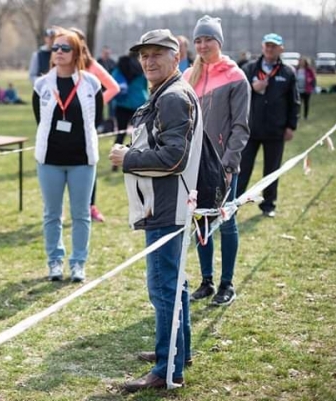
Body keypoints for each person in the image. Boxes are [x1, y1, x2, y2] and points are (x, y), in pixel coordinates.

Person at [109, 28, 202, 391]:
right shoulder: (165, 93)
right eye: (143, 55)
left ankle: (166, 371)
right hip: (165, 205)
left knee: (163, 288)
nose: (148, 61)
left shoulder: (173, 97)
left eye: (156, 54)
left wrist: (127, 157)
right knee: (174, 285)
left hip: (168, 207)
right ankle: (178, 353)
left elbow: (174, 157)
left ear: (175, 56)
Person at [183, 15, 251, 306]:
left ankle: (227, 284)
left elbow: (241, 126)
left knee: (226, 223)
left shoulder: (236, 76)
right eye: (198, 39)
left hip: (223, 164)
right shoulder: (188, 76)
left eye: (208, 39)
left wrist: (228, 164)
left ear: (219, 42)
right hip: (194, 164)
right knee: (201, 221)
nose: (202, 44)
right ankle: (207, 281)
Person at [32, 28, 103, 283]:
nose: (58, 53)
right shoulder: (41, 84)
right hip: (49, 160)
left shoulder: (91, 83)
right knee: (52, 213)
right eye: (55, 48)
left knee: (81, 214)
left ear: (76, 53)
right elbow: (40, 121)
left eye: (65, 48)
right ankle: (55, 261)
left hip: (82, 161)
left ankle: (78, 263)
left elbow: (98, 119)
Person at [237, 33, 300, 218]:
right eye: (267, 45)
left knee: (272, 170)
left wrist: (291, 126)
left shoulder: (287, 72)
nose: (270, 49)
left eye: (274, 46)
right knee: (242, 168)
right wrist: (251, 87)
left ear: (281, 48)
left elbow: (294, 101)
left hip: (275, 130)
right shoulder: (249, 68)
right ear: (262, 47)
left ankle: (268, 205)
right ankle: (234, 204)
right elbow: (238, 94)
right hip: (250, 129)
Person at [69, 27, 120, 223]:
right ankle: (68, 206)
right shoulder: (60, 65)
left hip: (86, 125)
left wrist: (94, 104)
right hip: (64, 126)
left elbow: (113, 87)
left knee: (89, 164)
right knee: (64, 166)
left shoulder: (91, 65)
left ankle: (91, 206)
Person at [111, 52, 148, 148]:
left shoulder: (120, 66)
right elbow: (145, 86)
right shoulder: (142, 67)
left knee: (120, 134)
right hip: (139, 104)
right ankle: (133, 157)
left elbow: (113, 79)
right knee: (137, 135)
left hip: (122, 103)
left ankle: (115, 159)